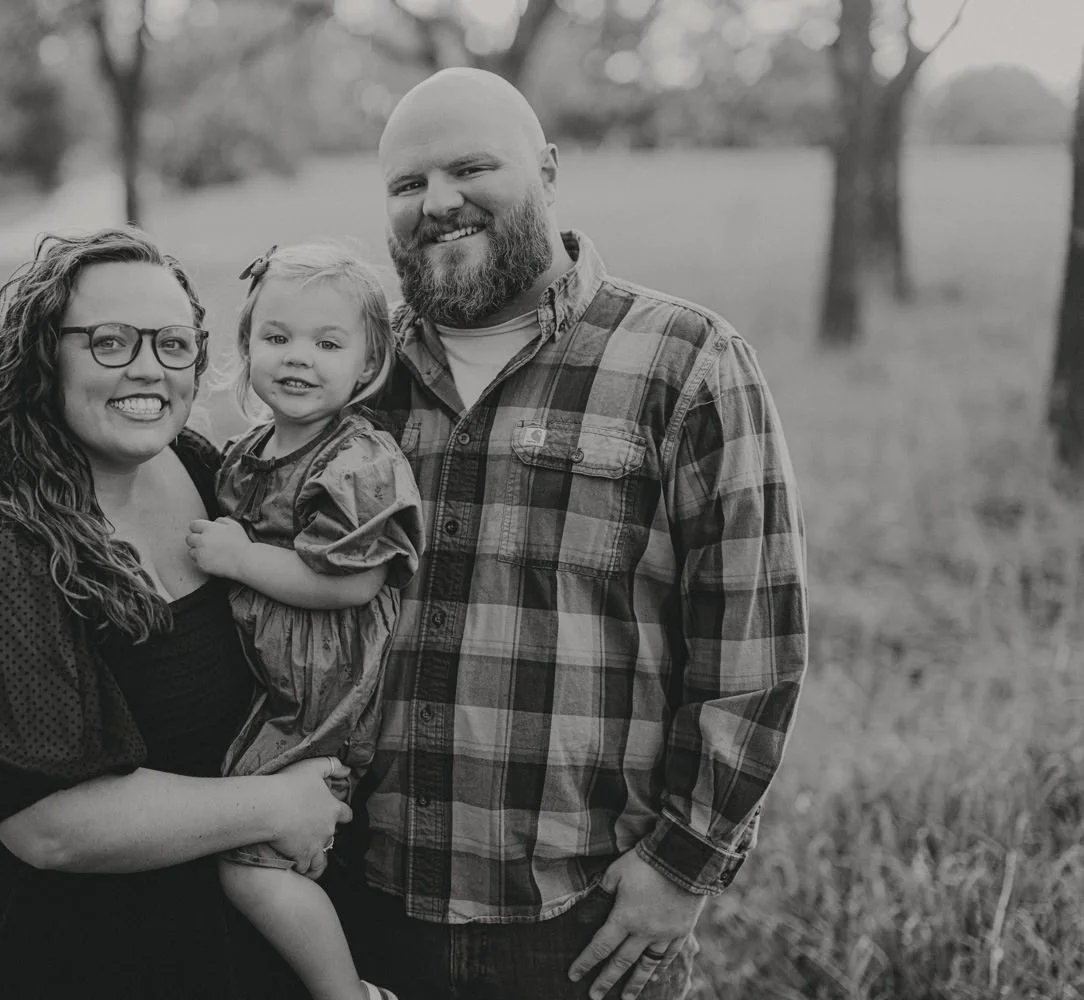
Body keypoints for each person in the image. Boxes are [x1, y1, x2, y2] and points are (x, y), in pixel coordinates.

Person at [325, 68, 810, 1000]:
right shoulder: (354, 369)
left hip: (578, 925)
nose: (440, 202)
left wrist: (682, 864)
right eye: (406, 184)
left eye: (472, 168)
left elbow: (753, 643)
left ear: (547, 170)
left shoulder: (685, 360)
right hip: (355, 907)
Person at [0, 227, 352, 1000]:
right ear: (44, 356)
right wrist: (275, 802)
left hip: (218, 923)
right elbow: (52, 828)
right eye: (109, 342)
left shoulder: (201, 470)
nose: (148, 368)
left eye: (174, 344)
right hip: (58, 947)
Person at [186, 243, 424, 1000]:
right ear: (246, 346)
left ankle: (345, 993)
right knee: (259, 839)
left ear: (366, 364)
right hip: (273, 684)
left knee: (243, 861)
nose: (298, 359)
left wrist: (241, 558)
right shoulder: (250, 451)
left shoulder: (356, 460)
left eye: (328, 344)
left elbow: (352, 583)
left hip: (321, 690)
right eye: (277, 337)